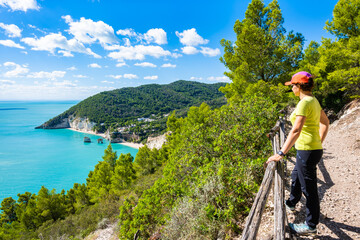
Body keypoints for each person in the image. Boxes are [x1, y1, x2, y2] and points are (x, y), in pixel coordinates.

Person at [266, 71, 330, 235]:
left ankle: (311, 225)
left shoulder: (304, 103)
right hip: (312, 149)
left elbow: (295, 130)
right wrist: (318, 142)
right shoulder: (313, 100)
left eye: (293, 85)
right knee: (296, 175)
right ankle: (292, 202)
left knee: (309, 189)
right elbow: (326, 122)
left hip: (307, 150)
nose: (292, 88)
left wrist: (281, 153)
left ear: (299, 86)